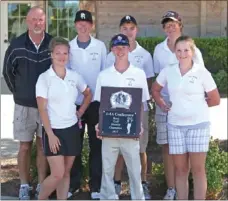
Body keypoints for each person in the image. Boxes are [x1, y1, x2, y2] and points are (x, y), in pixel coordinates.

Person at [152, 35, 220, 199]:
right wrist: (162, 104)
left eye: (186, 50)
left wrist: (196, 107)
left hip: (198, 126)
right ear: (175, 52)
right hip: (175, 126)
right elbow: (155, 90)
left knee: (197, 170)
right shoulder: (169, 70)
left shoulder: (202, 72)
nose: (182, 54)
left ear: (192, 51)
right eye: (179, 50)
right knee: (181, 170)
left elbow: (215, 99)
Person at [152, 11, 205, 200]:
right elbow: (158, 79)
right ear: (163, 28)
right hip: (164, 105)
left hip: (187, 109)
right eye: (166, 24)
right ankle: (172, 188)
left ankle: (187, 189)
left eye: (173, 23)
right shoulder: (159, 49)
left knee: (188, 150)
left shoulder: (193, 50)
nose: (170, 26)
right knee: (167, 147)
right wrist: (161, 101)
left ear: (180, 25)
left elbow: (201, 78)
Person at [2, 6, 52, 200]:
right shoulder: (17, 44)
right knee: (24, 146)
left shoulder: (52, 43)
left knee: (42, 145)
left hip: (47, 107)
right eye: (33, 20)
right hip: (24, 106)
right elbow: (8, 73)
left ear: (44, 21)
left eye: (40, 20)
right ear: (27, 21)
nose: (37, 23)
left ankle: (41, 184)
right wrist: (20, 91)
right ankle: (24, 185)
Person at [94, 33, 150, 200]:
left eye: (123, 47)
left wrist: (139, 125)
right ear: (111, 50)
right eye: (117, 47)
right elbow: (101, 105)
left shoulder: (139, 74)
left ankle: (137, 198)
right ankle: (108, 197)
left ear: (129, 48)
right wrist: (99, 124)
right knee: (108, 169)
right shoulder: (103, 75)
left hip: (130, 131)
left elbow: (140, 104)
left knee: (134, 170)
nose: (120, 50)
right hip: (109, 131)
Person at [36, 37, 92, 200]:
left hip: (72, 130)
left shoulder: (74, 76)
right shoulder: (44, 78)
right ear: (51, 55)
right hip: (53, 131)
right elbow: (42, 109)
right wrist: (51, 135)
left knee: (66, 173)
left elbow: (88, 94)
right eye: (58, 53)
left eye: (65, 53)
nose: (62, 56)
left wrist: (80, 112)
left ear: (69, 55)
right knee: (57, 174)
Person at [106, 15, 154, 199]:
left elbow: (149, 82)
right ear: (120, 30)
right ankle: (117, 183)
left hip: (138, 108)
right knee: (117, 146)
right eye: (124, 28)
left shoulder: (145, 55)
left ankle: (142, 184)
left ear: (137, 30)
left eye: (131, 28)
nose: (128, 31)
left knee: (140, 148)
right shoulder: (111, 53)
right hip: (115, 107)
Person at [68, 10, 107, 199]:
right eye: (79, 23)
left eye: (86, 23)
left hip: (95, 103)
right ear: (75, 25)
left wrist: (99, 100)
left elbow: (104, 74)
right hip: (74, 104)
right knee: (73, 145)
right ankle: (74, 183)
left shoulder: (100, 46)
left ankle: (96, 186)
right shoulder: (68, 47)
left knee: (96, 145)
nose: (83, 26)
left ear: (92, 25)